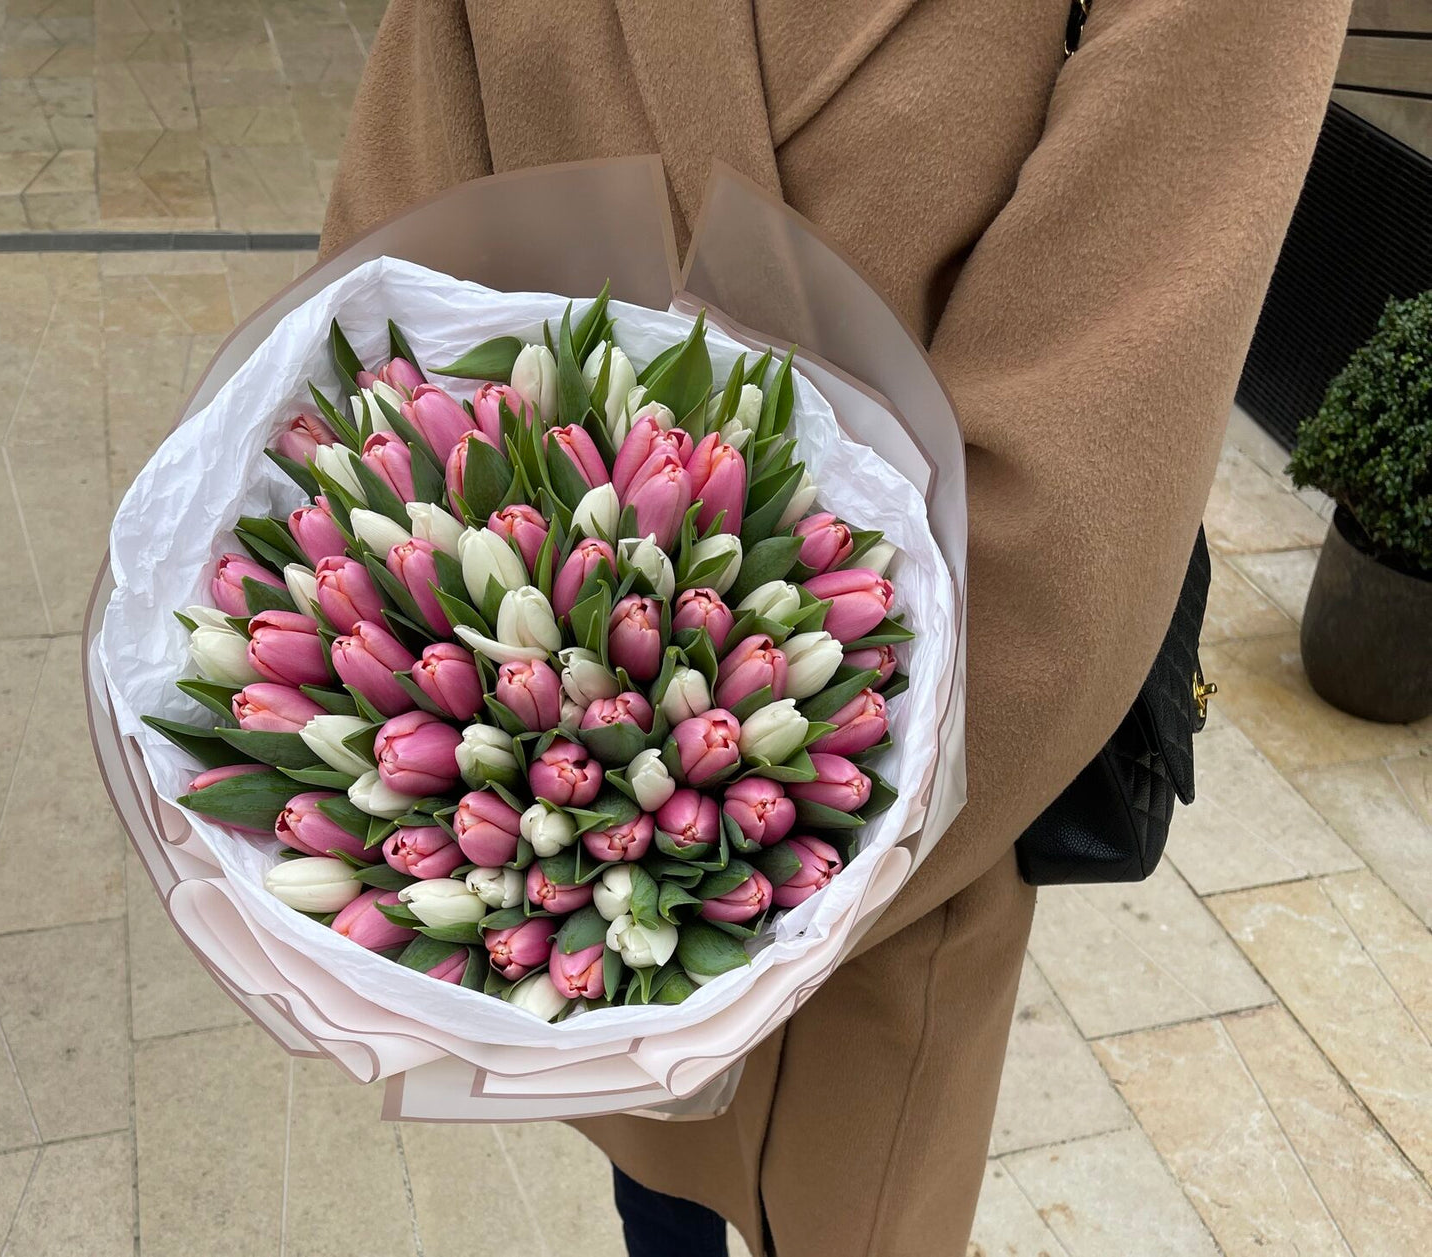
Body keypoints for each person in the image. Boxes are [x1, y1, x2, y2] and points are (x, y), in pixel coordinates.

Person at [321, 2, 1353, 1253]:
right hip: (540, 769)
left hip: (892, 791)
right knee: (656, 1178)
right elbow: (399, 268)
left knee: (837, 1192)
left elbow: (1074, 493)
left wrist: (743, 853)